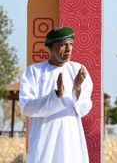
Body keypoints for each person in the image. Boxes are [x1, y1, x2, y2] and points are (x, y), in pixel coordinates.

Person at [19, 26, 93, 163]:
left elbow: (84, 109)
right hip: (44, 142)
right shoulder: (33, 72)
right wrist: (56, 95)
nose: (69, 49)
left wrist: (77, 89)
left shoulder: (78, 70)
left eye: (71, 44)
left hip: (71, 142)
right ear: (51, 47)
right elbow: (27, 108)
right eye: (63, 44)